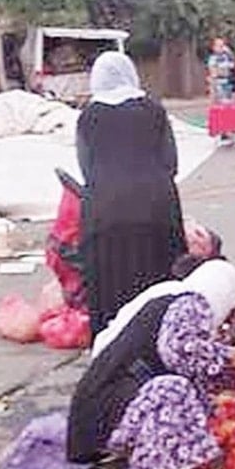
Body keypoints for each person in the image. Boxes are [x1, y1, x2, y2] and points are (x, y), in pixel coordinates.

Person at [68, 260, 235, 469]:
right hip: (106, 410)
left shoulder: (174, 301)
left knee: (190, 395)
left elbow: (189, 365)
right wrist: (232, 356)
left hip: (106, 409)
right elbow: (179, 353)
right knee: (174, 391)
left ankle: (143, 450)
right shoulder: (192, 305)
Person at [77, 52, 186, 338]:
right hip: (155, 205)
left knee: (109, 276)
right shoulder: (153, 110)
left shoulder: (89, 116)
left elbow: (86, 167)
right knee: (158, 275)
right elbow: (171, 162)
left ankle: (112, 348)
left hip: (104, 209)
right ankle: (164, 342)